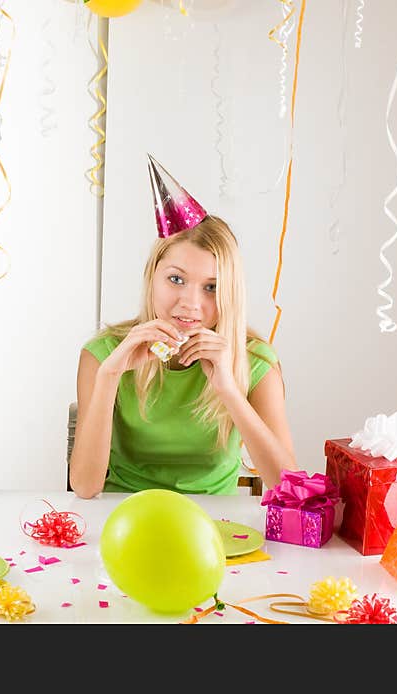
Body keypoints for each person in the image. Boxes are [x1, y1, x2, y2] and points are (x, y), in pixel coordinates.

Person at [69, 155, 296, 498]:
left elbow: (290, 487)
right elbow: (85, 487)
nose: (190, 303)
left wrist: (229, 389)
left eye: (211, 287)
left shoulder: (256, 361)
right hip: (122, 513)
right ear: (152, 276)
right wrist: (109, 376)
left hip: (213, 524)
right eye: (176, 279)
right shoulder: (102, 354)